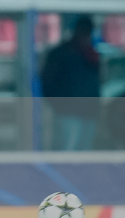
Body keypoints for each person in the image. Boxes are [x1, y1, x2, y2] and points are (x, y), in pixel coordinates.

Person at [40, 16, 100, 150]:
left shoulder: (91, 55)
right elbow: (47, 82)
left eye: (88, 32)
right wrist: (59, 105)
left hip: (88, 113)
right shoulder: (60, 54)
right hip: (67, 112)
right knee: (66, 150)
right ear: (76, 31)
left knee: (83, 151)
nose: (86, 35)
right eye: (83, 31)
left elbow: (95, 84)